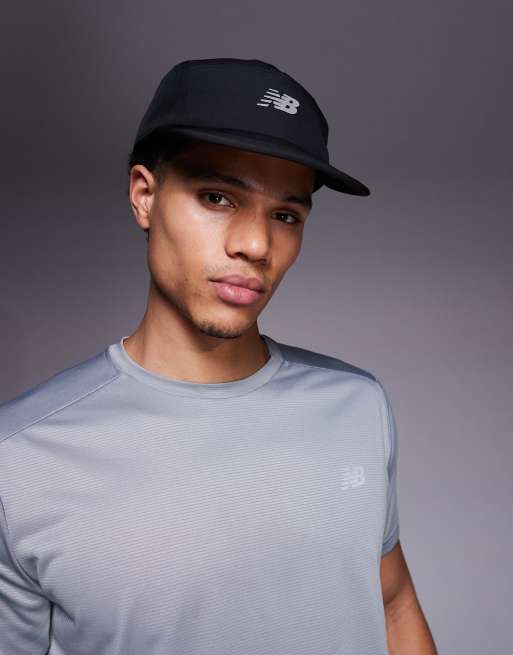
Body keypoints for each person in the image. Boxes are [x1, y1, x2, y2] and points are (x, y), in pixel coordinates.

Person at [0, 58, 437, 654]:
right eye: (217, 197)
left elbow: (393, 604)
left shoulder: (357, 405)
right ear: (144, 197)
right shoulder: (20, 459)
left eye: (285, 215)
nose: (256, 244)